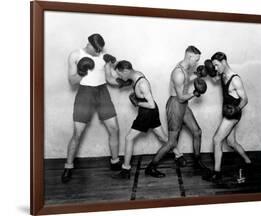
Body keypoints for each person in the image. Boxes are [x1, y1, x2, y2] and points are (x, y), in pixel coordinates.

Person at [61, 33, 122, 183]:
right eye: (97, 50)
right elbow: (71, 81)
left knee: (114, 129)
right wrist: (82, 72)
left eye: (101, 50)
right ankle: (68, 166)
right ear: (89, 45)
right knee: (77, 133)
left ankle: (115, 161)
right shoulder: (75, 55)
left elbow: (109, 79)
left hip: (102, 92)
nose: (99, 53)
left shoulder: (104, 56)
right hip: (84, 93)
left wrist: (122, 82)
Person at [107, 60, 183, 179]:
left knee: (129, 138)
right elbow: (113, 80)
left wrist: (137, 102)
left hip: (148, 112)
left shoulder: (142, 84)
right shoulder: (135, 75)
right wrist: (109, 65)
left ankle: (125, 170)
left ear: (126, 71)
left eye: (121, 74)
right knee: (162, 136)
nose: (121, 77)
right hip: (150, 112)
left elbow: (151, 104)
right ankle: (179, 156)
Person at [145, 46, 208, 177]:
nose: (196, 63)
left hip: (183, 106)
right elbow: (180, 97)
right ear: (190, 57)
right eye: (196, 60)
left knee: (197, 132)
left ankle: (197, 162)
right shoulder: (178, 73)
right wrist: (195, 93)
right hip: (175, 105)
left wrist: (198, 75)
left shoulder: (185, 68)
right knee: (172, 142)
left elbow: (186, 81)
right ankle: (151, 167)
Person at [203, 52, 252, 183]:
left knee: (217, 139)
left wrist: (236, 109)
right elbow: (215, 79)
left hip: (233, 114)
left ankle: (216, 173)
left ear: (224, 62)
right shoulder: (222, 74)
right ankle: (248, 161)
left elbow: (245, 99)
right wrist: (206, 72)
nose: (216, 68)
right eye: (214, 66)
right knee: (231, 142)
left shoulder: (235, 79)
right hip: (227, 112)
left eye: (217, 65)